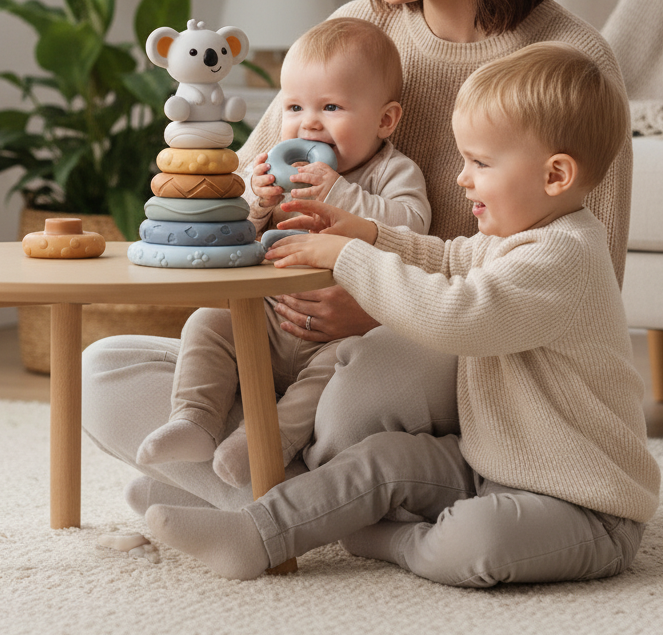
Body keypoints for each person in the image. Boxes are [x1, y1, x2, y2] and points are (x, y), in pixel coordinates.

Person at [81, 0, 633, 515]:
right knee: (104, 371)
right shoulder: (356, 30)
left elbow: (584, 278)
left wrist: (375, 304)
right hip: (295, 335)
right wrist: (261, 230)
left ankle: (284, 493)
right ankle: (310, 489)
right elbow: (250, 186)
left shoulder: (570, 62)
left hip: (454, 353)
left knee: (360, 395)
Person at [145, 42, 659, 585]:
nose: (462, 179)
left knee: (475, 542)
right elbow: (449, 256)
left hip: (584, 503)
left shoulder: (563, 255)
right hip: (490, 463)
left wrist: (350, 257)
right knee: (382, 459)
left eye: (480, 164)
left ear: (555, 176)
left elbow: (458, 315)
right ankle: (254, 534)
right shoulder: (523, 237)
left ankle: (382, 539)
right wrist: (368, 231)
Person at [136, 18, 430, 488]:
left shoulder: (391, 173)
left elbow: (413, 230)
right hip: (270, 324)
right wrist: (257, 203)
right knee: (208, 323)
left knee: (332, 378)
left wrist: (341, 193)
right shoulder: (273, 165)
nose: (308, 122)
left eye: (331, 107)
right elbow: (238, 239)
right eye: (294, 106)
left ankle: (261, 446)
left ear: (385, 120)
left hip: (339, 341)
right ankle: (192, 422)